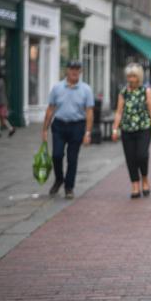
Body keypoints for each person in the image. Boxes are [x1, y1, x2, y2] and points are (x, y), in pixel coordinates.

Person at [42, 61, 94, 199]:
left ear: (80, 71)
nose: (74, 71)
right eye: (72, 68)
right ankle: (59, 179)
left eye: (77, 69)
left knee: (72, 158)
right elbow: (50, 108)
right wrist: (45, 130)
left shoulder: (86, 89)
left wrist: (88, 132)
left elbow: (89, 112)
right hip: (59, 125)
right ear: (67, 70)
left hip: (77, 126)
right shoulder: (57, 88)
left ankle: (69, 187)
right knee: (57, 155)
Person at [111, 63, 151, 198]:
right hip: (127, 130)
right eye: (129, 76)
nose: (131, 79)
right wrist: (115, 129)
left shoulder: (146, 91)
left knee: (142, 155)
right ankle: (135, 185)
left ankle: (144, 178)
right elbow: (119, 112)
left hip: (144, 128)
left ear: (139, 77)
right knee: (130, 158)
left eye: (134, 76)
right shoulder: (123, 92)